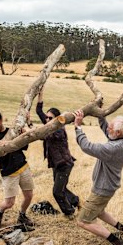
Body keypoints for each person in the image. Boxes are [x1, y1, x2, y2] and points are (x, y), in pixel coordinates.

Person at [72, 110, 123, 245]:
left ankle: (119, 243)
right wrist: (100, 114)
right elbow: (108, 132)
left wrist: (78, 127)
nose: (108, 129)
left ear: (118, 133)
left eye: (111, 128)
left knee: (83, 221)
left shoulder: (113, 148)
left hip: (102, 189)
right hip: (108, 186)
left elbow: (87, 146)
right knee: (99, 211)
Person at [0, 109, 35, 230]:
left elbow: (25, 147)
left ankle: (22, 215)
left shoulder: (12, 132)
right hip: (8, 172)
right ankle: (0, 212)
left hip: (23, 167)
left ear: (1, 120)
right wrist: (1, 153)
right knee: (9, 203)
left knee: (29, 195)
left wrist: (23, 135)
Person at [35, 87, 80, 218]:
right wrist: (40, 93)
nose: (47, 120)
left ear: (57, 119)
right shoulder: (49, 124)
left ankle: (69, 212)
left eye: (50, 118)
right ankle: (76, 201)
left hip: (64, 164)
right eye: (47, 118)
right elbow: (39, 110)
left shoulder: (59, 129)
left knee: (57, 192)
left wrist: (30, 129)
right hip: (57, 164)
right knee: (61, 188)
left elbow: (46, 136)